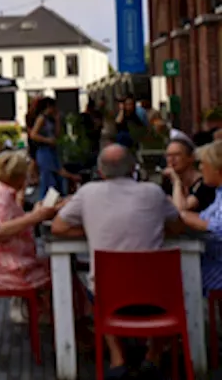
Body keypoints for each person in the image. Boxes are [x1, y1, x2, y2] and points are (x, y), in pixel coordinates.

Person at [52, 144, 185, 373]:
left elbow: (58, 227)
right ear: (133, 168)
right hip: (157, 296)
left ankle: (117, 356)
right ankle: (153, 354)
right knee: (172, 286)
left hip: (109, 296)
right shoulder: (153, 192)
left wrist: (91, 230)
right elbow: (177, 226)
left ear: (101, 171)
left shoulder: (87, 193)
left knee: (93, 282)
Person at [0, 151, 59, 323]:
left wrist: (32, 212)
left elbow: (9, 219)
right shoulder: (0, 197)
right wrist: (36, 217)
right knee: (56, 270)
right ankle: (58, 319)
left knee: (50, 265)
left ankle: (43, 311)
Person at [174, 142, 222, 296]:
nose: (200, 168)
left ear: (217, 167)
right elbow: (201, 217)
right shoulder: (218, 194)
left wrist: (180, 215)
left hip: (215, 274)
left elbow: (218, 228)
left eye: (203, 164)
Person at [163, 137, 217, 213]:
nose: (171, 159)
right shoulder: (168, 180)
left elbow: (180, 210)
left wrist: (177, 182)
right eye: (168, 155)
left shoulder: (206, 182)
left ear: (191, 157)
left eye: (177, 155)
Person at [29, 97, 64, 200]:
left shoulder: (51, 119)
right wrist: (47, 140)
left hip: (52, 150)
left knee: (57, 177)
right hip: (44, 150)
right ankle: (45, 201)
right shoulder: (42, 118)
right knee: (48, 179)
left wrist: (57, 121)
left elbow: (57, 134)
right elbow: (33, 134)